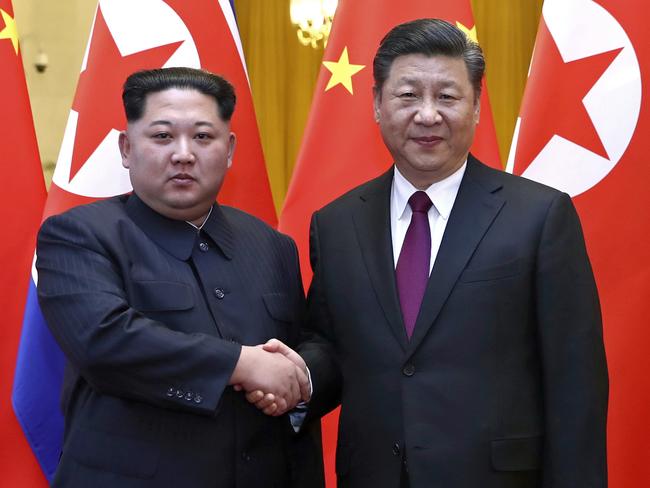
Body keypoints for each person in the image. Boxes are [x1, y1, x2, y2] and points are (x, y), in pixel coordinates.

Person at [258, 18, 608, 487]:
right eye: (408, 96)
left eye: (447, 96)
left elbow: (575, 384)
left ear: (477, 106)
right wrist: (298, 374)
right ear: (377, 104)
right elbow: (332, 345)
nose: (427, 115)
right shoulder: (338, 223)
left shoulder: (539, 216)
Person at [36, 67, 323, 488]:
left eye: (203, 137)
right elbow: (104, 340)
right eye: (162, 136)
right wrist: (242, 365)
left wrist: (295, 381)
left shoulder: (272, 245)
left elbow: (305, 346)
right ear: (126, 148)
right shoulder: (79, 235)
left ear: (228, 150)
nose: (184, 153)